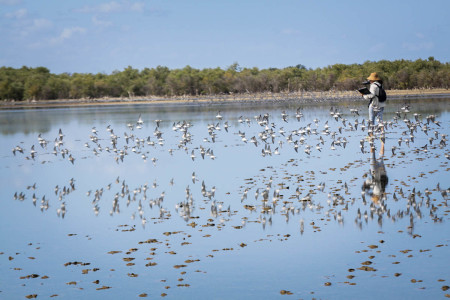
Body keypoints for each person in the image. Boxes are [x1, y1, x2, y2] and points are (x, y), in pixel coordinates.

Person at [362, 140, 388, 205]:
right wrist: (366, 183)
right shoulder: (376, 191)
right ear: (375, 196)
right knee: (372, 157)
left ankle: (382, 143)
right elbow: (373, 182)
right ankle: (372, 141)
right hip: (375, 173)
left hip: (382, 172)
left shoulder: (382, 191)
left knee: (381, 158)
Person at [361, 72, 386, 136]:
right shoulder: (380, 85)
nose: (369, 81)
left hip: (374, 105)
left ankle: (371, 135)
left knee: (371, 120)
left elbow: (371, 95)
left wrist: (364, 95)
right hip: (381, 104)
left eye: (370, 79)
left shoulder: (373, 85)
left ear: (372, 79)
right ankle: (382, 134)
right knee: (380, 120)